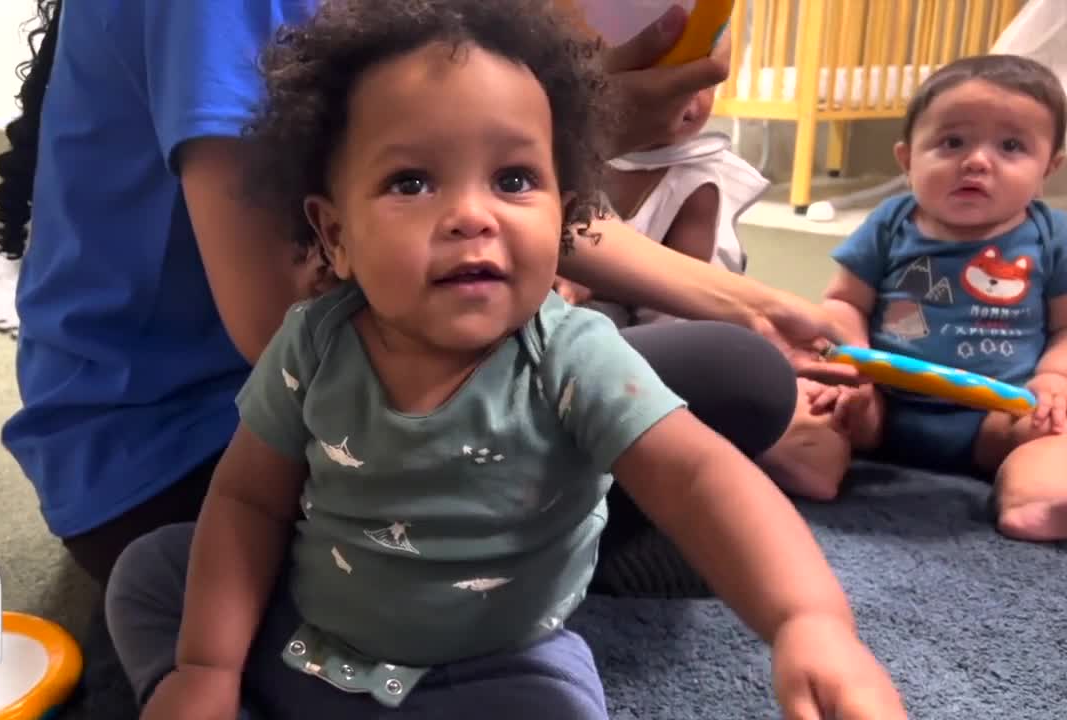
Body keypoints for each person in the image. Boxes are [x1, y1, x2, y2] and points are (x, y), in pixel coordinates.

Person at [102, 3, 908, 719]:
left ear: (567, 216)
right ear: (335, 234)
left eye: (514, 179)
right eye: (411, 182)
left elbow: (702, 478)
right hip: (311, 644)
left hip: (491, 672)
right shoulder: (313, 343)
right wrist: (207, 667)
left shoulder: (573, 356)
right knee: (154, 573)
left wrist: (809, 622)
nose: (471, 215)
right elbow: (248, 501)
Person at [0, 0, 851, 590]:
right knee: (732, 383)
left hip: (255, 420)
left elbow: (464, 196)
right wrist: (580, 136)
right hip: (179, 462)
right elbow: (280, 326)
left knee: (736, 365)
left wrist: (756, 307)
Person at [764, 54, 1067, 543]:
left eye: (1011, 146)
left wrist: (1054, 379)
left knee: (1053, 432)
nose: (976, 161)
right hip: (880, 405)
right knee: (806, 404)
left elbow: (1065, 328)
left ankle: (1038, 495)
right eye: (952, 142)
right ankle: (805, 462)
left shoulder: (1053, 236)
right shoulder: (891, 221)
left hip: (1001, 414)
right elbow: (845, 302)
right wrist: (848, 365)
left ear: (1048, 168)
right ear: (907, 159)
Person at [553, 33, 770, 328]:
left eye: (704, 86)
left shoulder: (697, 184)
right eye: (669, 79)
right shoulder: (588, 156)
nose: (690, 100)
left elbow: (681, 297)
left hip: (673, 315)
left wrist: (591, 283)